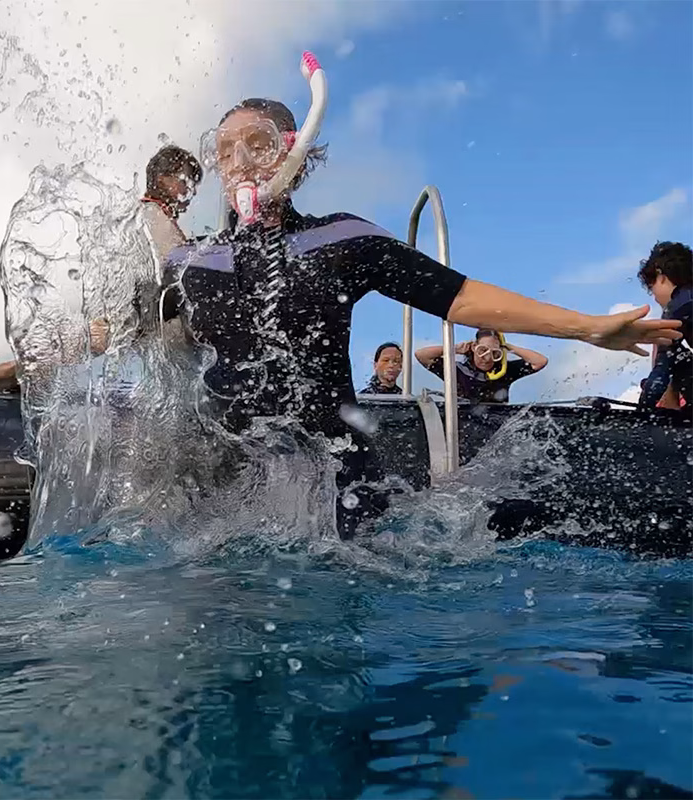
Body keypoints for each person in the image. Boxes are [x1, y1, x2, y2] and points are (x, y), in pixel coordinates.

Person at [148, 96, 679, 539]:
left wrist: (586, 326)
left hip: (335, 484)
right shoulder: (190, 262)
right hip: (229, 485)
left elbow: (461, 297)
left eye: (258, 144)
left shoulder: (339, 240)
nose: (239, 161)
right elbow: (129, 329)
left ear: (297, 154)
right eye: (224, 152)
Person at [0, 145, 203, 392]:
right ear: (164, 178)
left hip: (150, 350)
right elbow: (169, 280)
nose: (191, 192)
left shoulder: (142, 219)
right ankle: (18, 370)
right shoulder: (152, 218)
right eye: (187, 181)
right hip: (161, 356)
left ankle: (20, 369)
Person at [415, 329, 548, 403]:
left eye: (495, 353)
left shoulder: (506, 371)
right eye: (482, 350)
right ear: (473, 347)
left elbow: (540, 361)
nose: (487, 358)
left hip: (496, 426)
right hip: (464, 424)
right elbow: (421, 355)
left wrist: (510, 347)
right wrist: (454, 348)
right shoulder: (457, 370)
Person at [637, 241, 692, 410]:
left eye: (651, 287)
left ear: (660, 276)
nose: (653, 297)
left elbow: (658, 380)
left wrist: (642, 412)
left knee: (666, 345)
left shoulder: (677, 308)